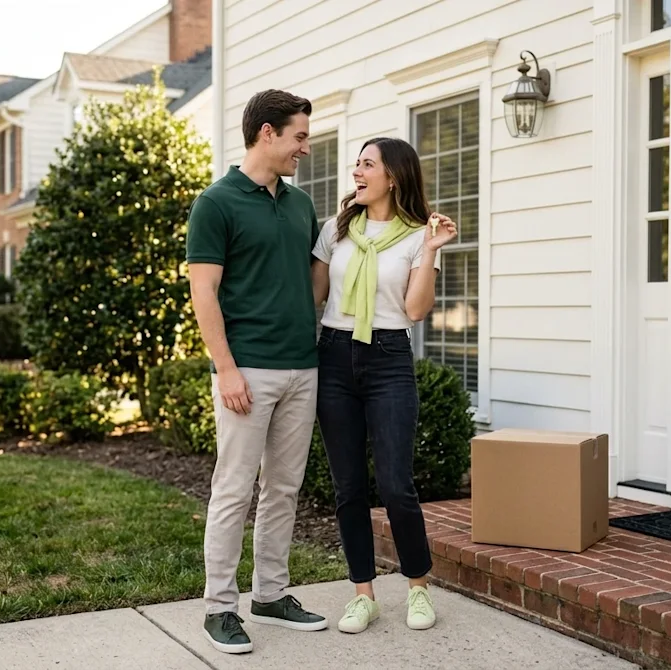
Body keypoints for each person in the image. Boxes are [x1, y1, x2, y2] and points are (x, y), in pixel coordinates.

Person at [186, 89, 329, 655]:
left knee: (284, 489)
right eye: (299, 136)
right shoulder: (216, 203)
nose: (305, 148)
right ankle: (219, 607)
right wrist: (226, 369)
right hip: (247, 369)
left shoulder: (299, 205)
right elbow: (204, 292)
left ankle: (270, 594)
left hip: (302, 368)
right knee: (233, 488)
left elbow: (311, 285)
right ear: (267, 133)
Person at [310, 137, 458, 634]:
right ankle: (363, 595)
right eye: (357, 163)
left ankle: (418, 588)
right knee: (349, 487)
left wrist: (431, 251)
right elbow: (314, 294)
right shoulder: (336, 229)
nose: (356, 171)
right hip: (334, 356)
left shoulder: (420, 236)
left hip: (389, 357)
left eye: (367, 164)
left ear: (392, 176)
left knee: (396, 484)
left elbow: (415, 310)